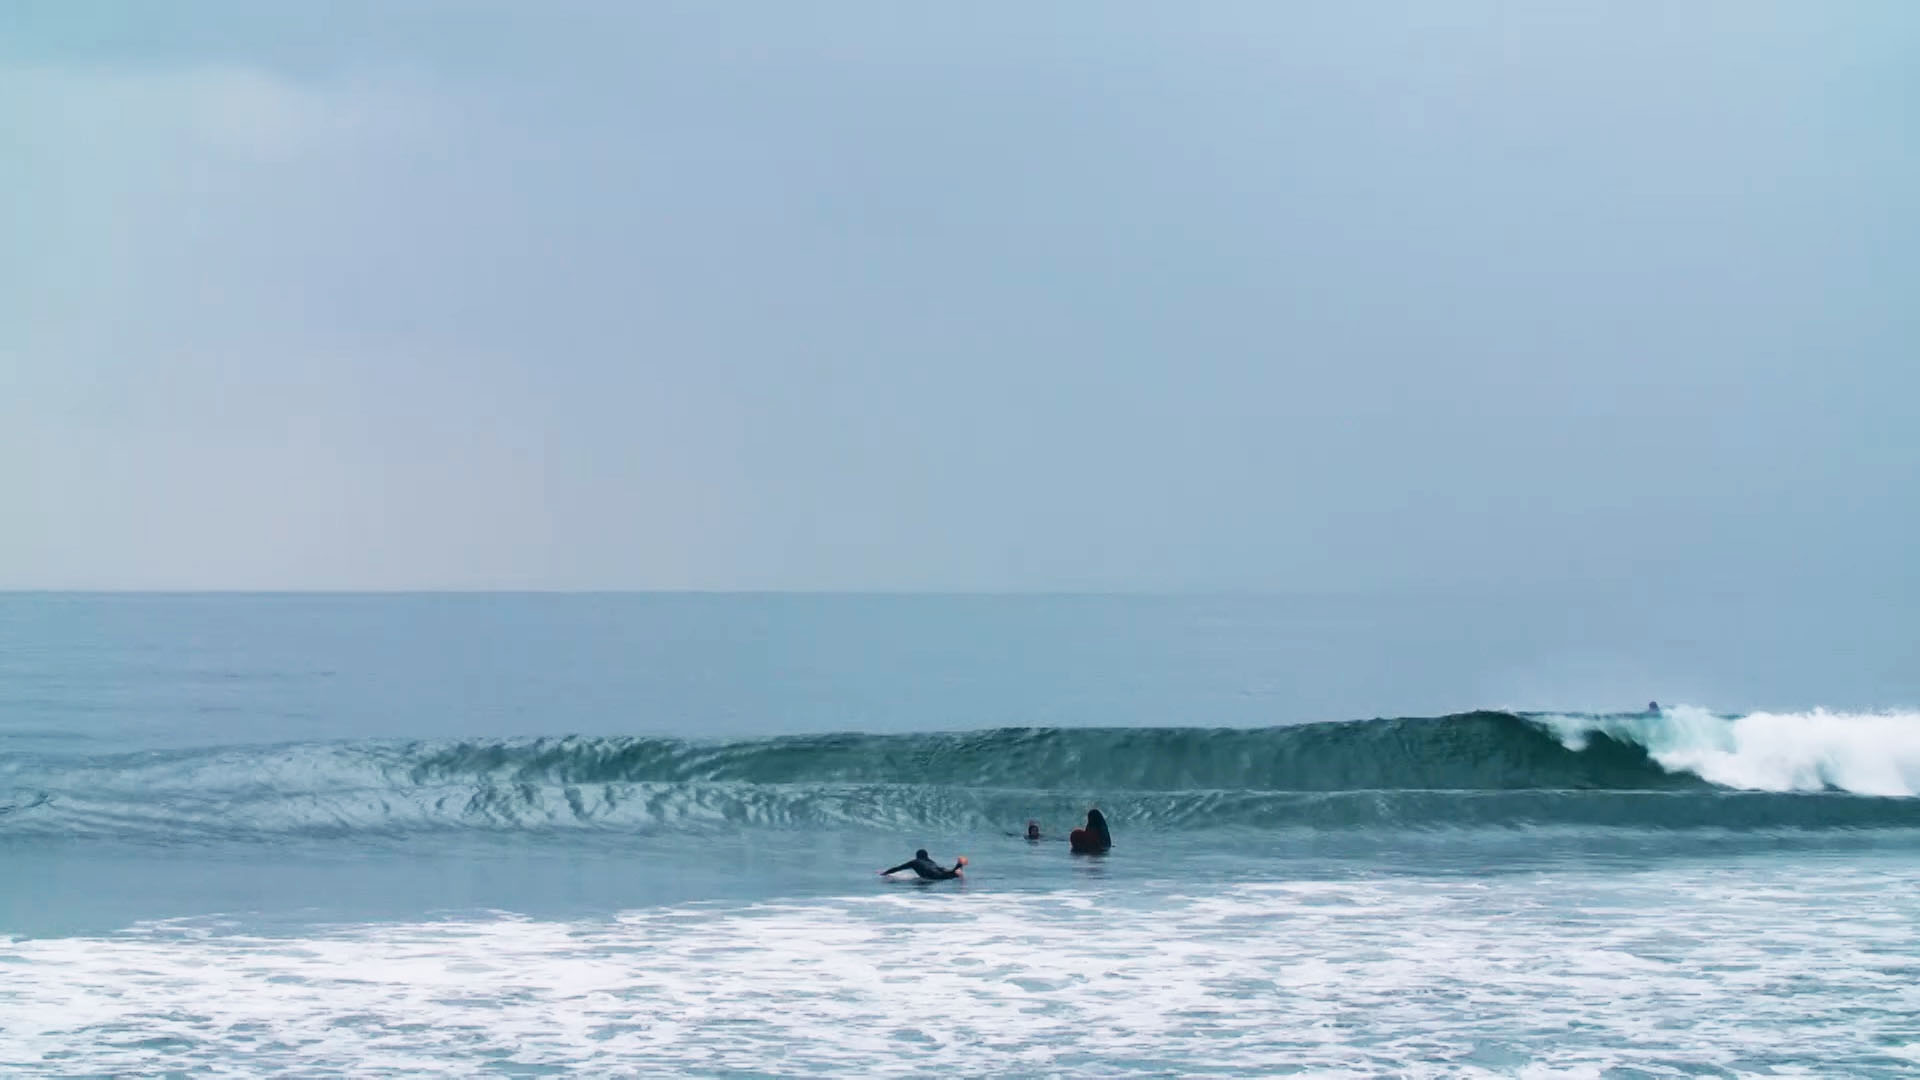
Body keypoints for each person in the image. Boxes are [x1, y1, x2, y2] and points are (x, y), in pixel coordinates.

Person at [879, 849, 967, 880]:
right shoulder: (931, 861)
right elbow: (939, 868)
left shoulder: (914, 862)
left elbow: (897, 868)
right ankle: (957, 868)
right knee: (950, 874)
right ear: (926, 856)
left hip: (933, 877)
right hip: (942, 873)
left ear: (917, 856)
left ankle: (957, 867)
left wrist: (885, 873)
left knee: (938, 877)